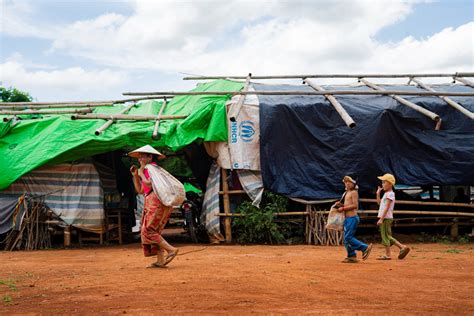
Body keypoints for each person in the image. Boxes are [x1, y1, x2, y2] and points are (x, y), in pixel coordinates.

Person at [129, 145, 179, 268]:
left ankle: (171, 250)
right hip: (154, 201)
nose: (139, 159)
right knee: (154, 231)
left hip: (156, 202)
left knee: (149, 230)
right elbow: (141, 190)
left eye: (142, 156)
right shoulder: (148, 170)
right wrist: (136, 175)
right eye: (139, 156)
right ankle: (160, 261)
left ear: (150, 157)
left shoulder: (151, 169)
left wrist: (140, 173)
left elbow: (149, 184)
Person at [335, 176, 372, 263]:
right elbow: (347, 205)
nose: (347, 183)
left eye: (349, 182)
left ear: (353, 183)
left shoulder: (354, 192)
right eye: (345, 182)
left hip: (352, 218)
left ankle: (365, 248)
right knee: (346, 239)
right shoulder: (346, 193)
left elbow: (355, 205)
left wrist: (343, 208)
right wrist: (340, 204)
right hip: (348, 219)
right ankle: (351, 256)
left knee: (348, 237)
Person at [376, 173, 410, 260]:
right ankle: (402, 247)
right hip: (386, 217)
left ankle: (388, 254)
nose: (382, 184)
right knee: (387, 235)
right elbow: (380, 204)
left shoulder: (390, 194)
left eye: (384, 182)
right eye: (382, 182)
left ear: (390, 184)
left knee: (385, 236)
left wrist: (381, 219)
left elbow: (387, 207)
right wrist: (378, 194)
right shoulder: (386, 194)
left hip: (386, 217)